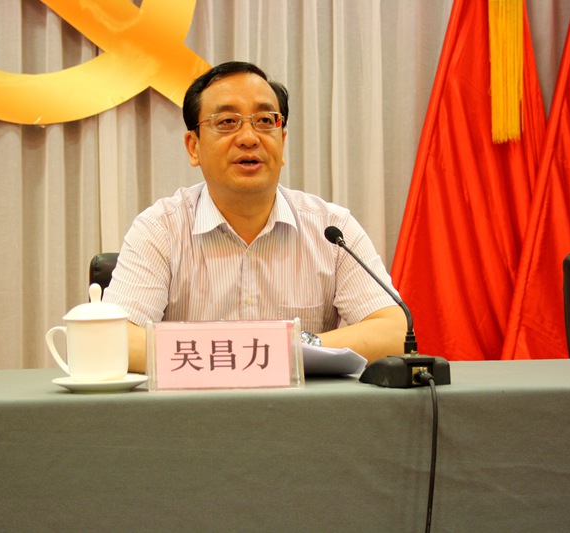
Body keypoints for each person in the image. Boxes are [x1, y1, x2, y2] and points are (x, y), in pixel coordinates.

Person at [102, 61, 406, 374]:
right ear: (194, 147)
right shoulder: (161, 228)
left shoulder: (331, 228)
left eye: (264, 121)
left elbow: (395, 332)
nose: (249, 137)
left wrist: (294, 345)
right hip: (192, 406)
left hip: (301, 406)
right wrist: (243, 352)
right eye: (227, 122)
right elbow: (112, 339)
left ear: (282, 142)